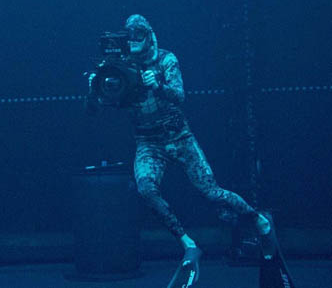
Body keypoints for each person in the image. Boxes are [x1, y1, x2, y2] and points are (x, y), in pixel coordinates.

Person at [87, 14, 275, 287]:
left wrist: (158, 86)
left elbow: (179, 95)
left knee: (211, 192)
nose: (135, 41)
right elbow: (96, 108)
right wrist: (94, 89)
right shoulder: (119, 67)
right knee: (146, 188)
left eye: (139, 35)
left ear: (149, 37)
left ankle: (259, 221)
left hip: (179, 137)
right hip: (148, 142)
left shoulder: (166, 60)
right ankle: (188, 244)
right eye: (130, 36)